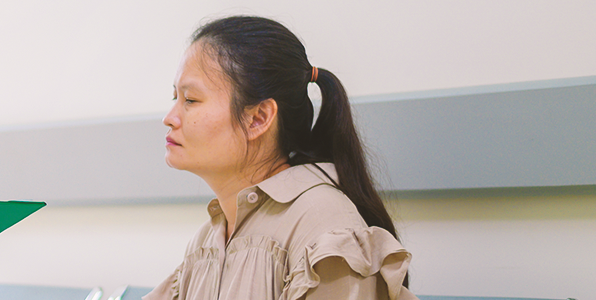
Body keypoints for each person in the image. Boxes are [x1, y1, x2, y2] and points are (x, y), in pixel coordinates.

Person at [145, 16, 416, 300]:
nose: (169, 118)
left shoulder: (325, 225)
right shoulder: (206, 241)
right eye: (174, 97)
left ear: (258, 118)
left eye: (190, 100)